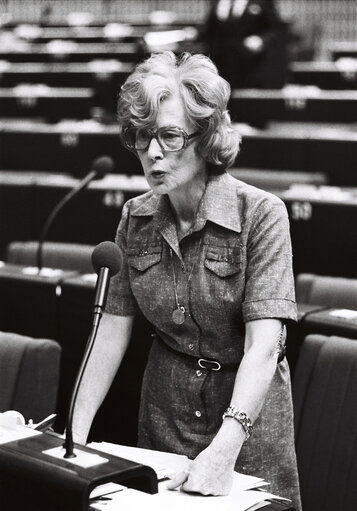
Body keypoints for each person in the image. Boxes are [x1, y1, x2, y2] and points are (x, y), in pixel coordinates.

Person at [72, 51, 301, 509]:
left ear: (207, 137)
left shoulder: (261, 214)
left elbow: (264, 346)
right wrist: (73, 440)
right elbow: (110, 335)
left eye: (170, 136)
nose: (153, 153)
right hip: (164, 418)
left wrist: (225, 448)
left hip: (246, 425)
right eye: (142, 137)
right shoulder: (135, 218)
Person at [203, 0, 289, 88]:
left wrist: (261, 39)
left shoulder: (262, 2)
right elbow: (210, 31)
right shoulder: (217, 2)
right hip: (222, 67)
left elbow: (276, 30)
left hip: (250, 65)